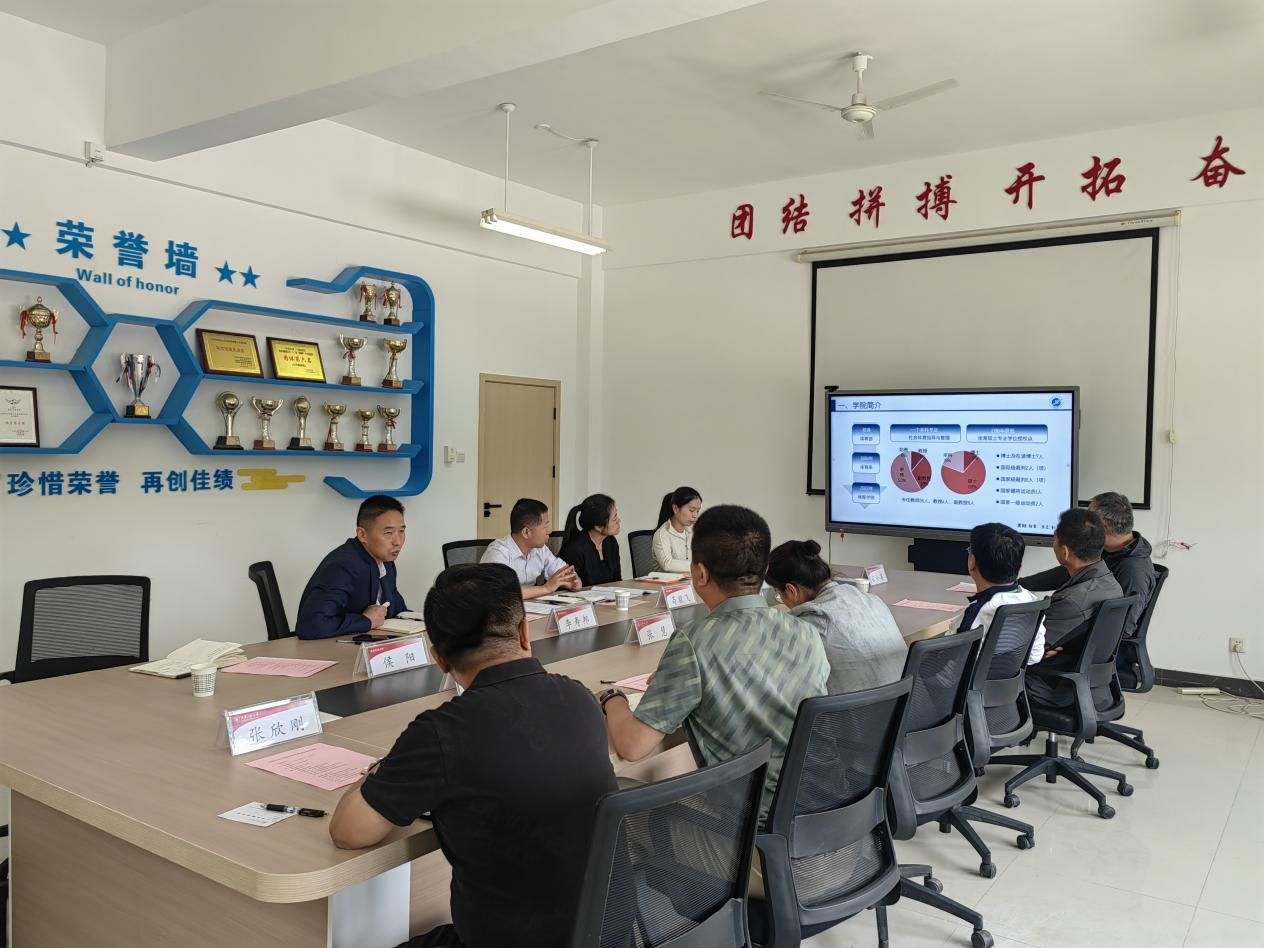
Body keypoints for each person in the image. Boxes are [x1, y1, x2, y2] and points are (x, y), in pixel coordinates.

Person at [329, 564, 617, 948]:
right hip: (609, 932)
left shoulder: (443, 731)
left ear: (439, 659)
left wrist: (382, 770)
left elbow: (348, 832)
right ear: (524, 632)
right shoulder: (580, 697)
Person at [600, 505, 828, 821]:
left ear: (700, 573)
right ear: (764, 571)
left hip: (751, 825)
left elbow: (633, 746)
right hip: (823, 806)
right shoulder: (806, 632)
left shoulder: (695, 642)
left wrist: (612, 698)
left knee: (623, 805)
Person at [1021, 491, 1156, 686]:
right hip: (1079, 647)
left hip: (1092, 656)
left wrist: (1064, 645)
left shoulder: (1133, 572)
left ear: (1103, 529)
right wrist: (1019, 584)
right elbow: (1065, 572)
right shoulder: (1106, 555)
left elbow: (1122, 627)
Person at [765, 538, 906, 694]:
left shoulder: (811, 624)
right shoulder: (870, 599)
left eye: (778, 593)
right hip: (906, 703)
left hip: (860, 708)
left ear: (791, 590)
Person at [1024, 509, 1123, 707]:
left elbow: (1026, 649)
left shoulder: (1073, 600)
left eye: (1055, 540)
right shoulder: (1110, 583)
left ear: (1065, 552)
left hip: (1056, 686)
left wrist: (1038, 650)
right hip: (1089, 684)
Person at [295, 495, 409, 639]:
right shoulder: (342, 567)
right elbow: (311, 625)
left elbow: (398, 610)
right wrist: (365, 621)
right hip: (332, 649)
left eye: (401, 531)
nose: (397, 541)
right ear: (362, 534)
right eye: (388, 533)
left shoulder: (386, 561)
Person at [961, 523, 1046, 666]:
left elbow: (950, 667)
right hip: (1011, 679)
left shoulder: (976, 612)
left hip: (967, 680)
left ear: (972, 562)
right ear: (1020, 565)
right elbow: (1035, 656)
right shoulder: (1032, 601)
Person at [479, 498, 581, 600]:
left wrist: (573, 582)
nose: (549, 531)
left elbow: (569, 576)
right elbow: (501, 593)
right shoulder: (498, 552)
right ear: (526, 532)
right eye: (545, 526)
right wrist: (546, 588)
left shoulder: (540, 549)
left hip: (528, 606)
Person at [558, 493, 622, 586]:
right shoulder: (575, 549)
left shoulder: (611, 542)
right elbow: (570, 587)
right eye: (614, 518)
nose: (619, 521)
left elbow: (617, 580)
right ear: (598, 527)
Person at [651, 486, 702, 572]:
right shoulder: (662, 534)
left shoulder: (692, 531)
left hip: (689, 579)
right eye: (691, 510)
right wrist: (697, 566)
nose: (695, 515)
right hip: (666, 580)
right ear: (675, 509)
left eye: (697, 511)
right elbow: (667, 564)